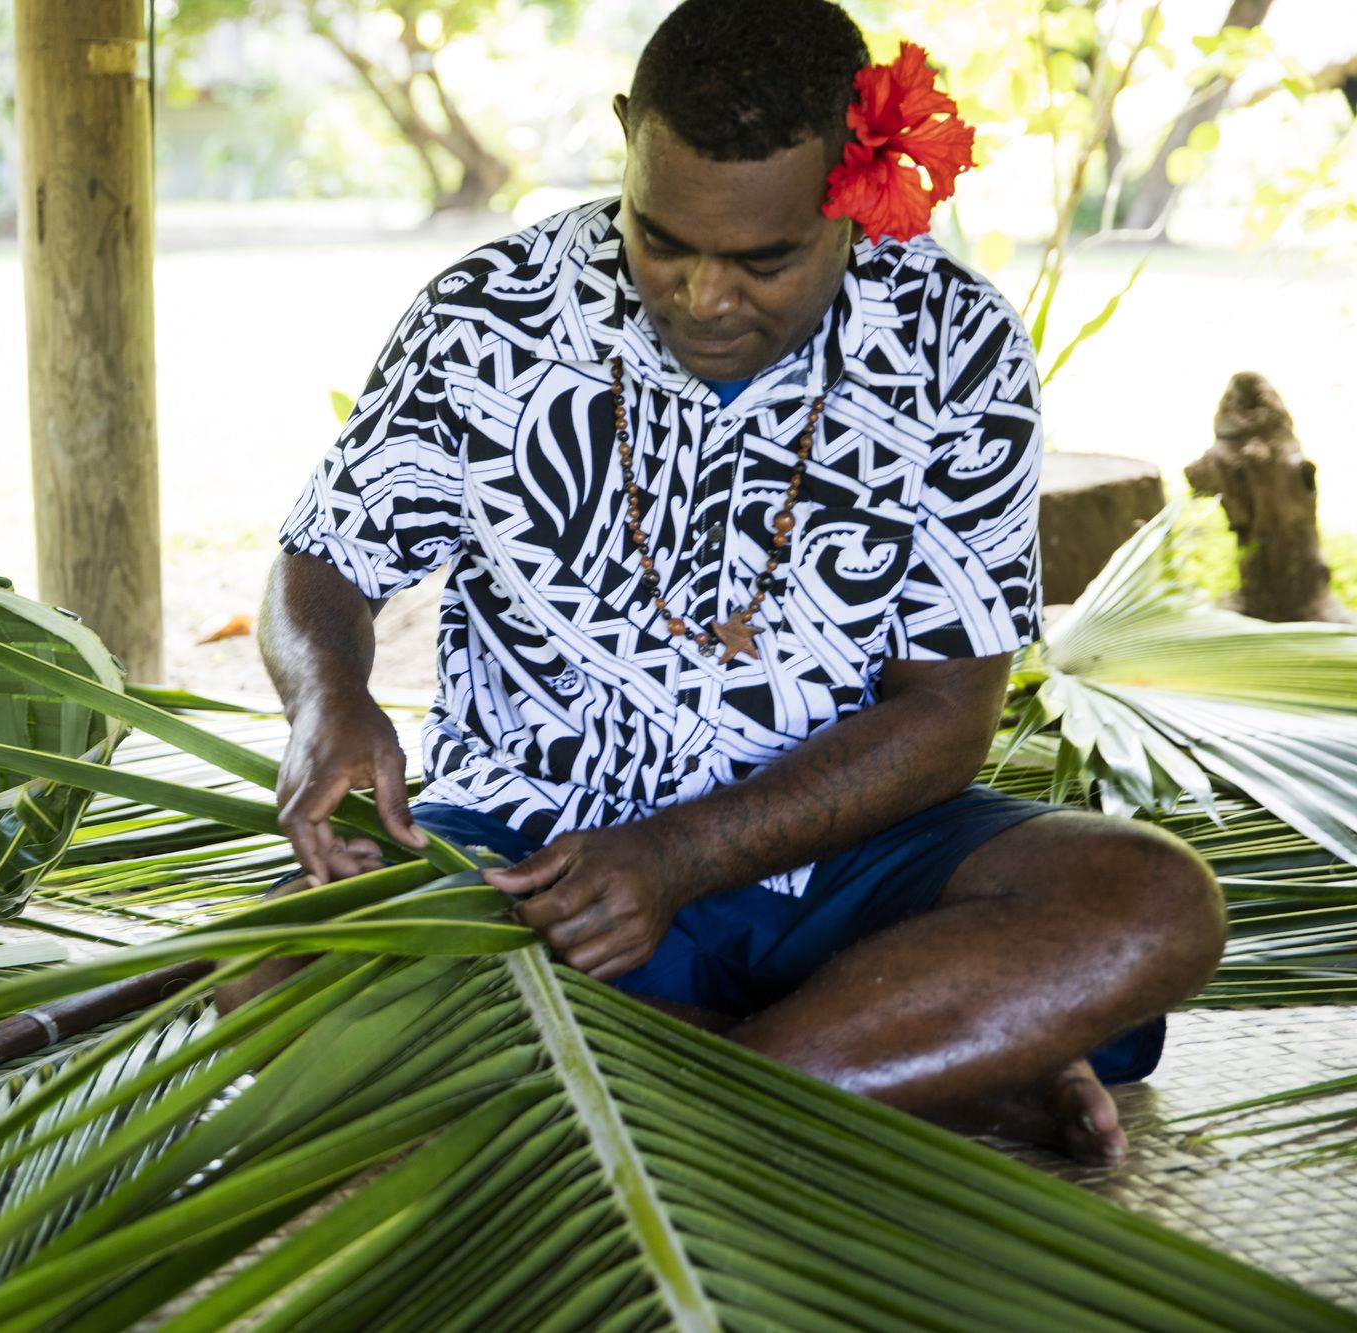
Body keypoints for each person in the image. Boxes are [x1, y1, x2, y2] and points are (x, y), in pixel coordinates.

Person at [258, 0, 1224, 1166]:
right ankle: (900, 1061)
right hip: (527, 849)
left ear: (852, 194)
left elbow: (944, 715)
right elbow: (325, 554)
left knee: (1147, 900)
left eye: (763, 260)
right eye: (659, 238)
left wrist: (676, 858)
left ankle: (700, 1069)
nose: (701, 297)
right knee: (276, 974)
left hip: (841, 864)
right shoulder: (488, 313)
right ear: (626, 135)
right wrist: (327, 692)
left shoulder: (954, 344)